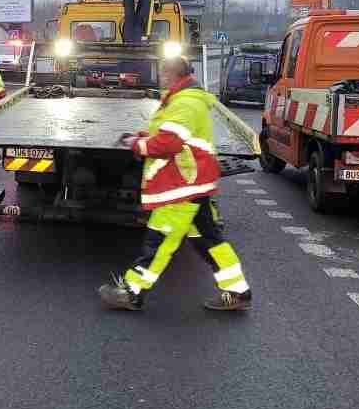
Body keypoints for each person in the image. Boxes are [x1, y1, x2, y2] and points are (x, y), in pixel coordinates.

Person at [98, 55, 253, 312]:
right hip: (194, 184)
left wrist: (137, 144)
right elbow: (175, 135)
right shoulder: (185, 99)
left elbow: (170, 143)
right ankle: (238, 291)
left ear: (173, 74)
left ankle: (132, 292)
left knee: (159, 241)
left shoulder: (185, 102)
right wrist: (146, 136)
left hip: (182, 186)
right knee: (210, 241)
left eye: (164, 74)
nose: (161, 78)